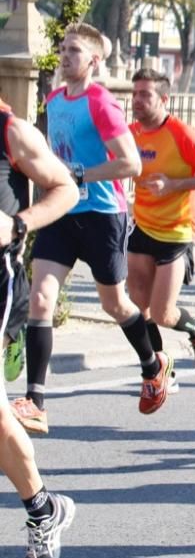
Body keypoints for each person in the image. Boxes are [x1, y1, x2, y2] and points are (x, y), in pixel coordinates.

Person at [13, 22, 170, 435]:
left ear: (94, 60)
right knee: (41, 298)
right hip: (60, 213)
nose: (65, 56)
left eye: (75, 51)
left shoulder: (101, 102)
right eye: (63, 49)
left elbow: (131, 164)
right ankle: (36, 402)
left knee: (114, 304)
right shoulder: (53, 100)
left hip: (103, 214)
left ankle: (153, 364)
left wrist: (81, 174)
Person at [0, 99, 79, 558]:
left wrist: (17, 224)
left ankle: (41, 510)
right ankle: (44, 509)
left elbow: (64, 189)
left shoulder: (12, 131)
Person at [127, 69, 195, 383]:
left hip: (176, 231)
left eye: (146, 94)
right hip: (142, 225)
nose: (137, 100)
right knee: (138, 307)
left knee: (162, 313)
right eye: (135, 93)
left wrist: (174, 184)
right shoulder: (131, 132)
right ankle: (160, 372)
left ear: (164, 99)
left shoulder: (181, 132)